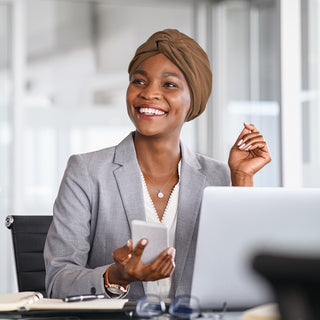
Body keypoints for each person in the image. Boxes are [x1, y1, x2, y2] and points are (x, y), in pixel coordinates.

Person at [44, 29, 271, 300]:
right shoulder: (87, 172)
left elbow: (246, 277)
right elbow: (57, 281)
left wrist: (242, 178)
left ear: (193, 98)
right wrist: (116, 276)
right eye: (139, 81)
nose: (149, 93)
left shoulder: (219, 177)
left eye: (169, 85)